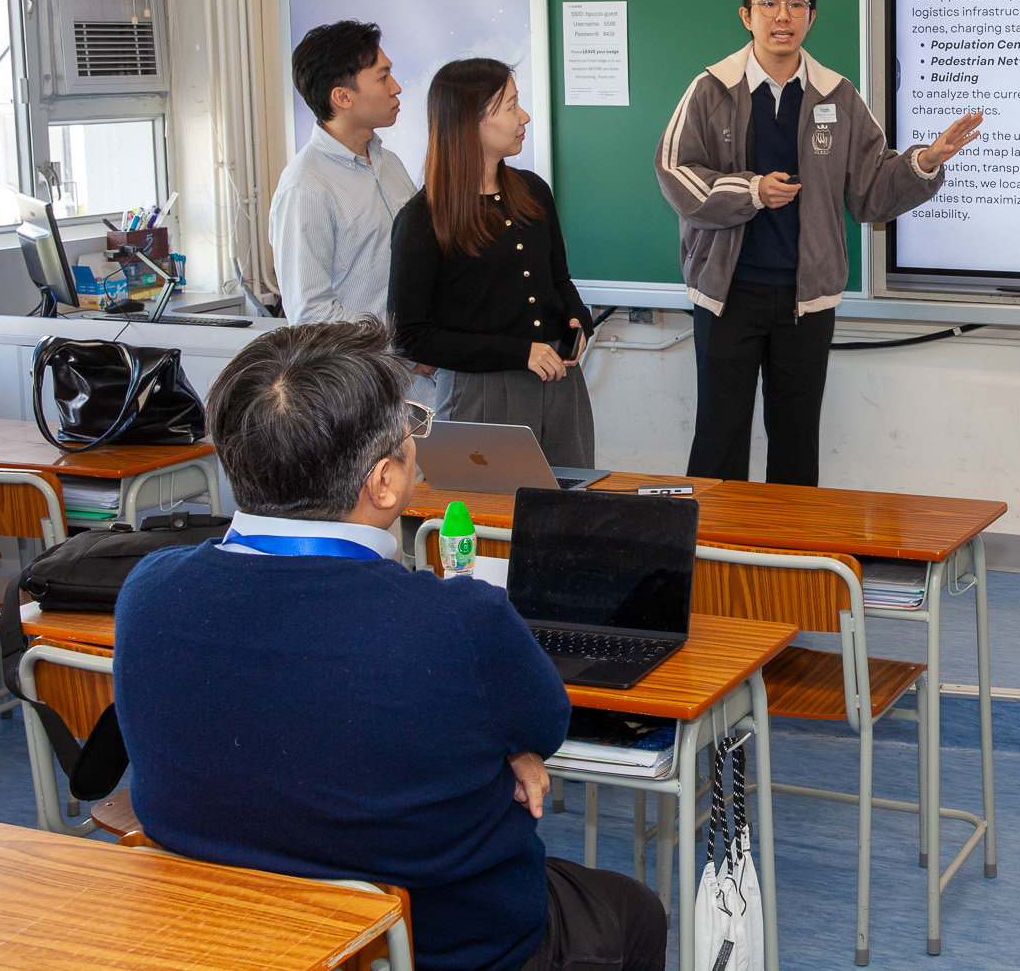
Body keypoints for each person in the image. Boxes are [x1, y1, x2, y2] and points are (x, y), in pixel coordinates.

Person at [114, 319, 665, 971]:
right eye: (412, 435)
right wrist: (509, 748)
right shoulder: (459, 622)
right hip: (443, 944)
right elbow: (544, 723)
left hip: (226, 935)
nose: (417, 449)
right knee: (635, 911)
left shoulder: (147, 593)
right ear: (383, 483)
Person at [655, 0, 982, 485]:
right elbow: (674, 172)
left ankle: (791, 545)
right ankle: (710, 542)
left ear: (811, 15)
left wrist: (923, 162)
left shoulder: (838, 94)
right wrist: (751, 190)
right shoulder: (711, 89)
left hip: (806, 300)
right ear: (747, 15)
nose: (782, 16)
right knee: (719, 437)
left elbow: (870, 189)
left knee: (796, 440)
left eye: (795, 3)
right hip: (727, 294)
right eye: (768, 3)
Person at [389, 58, 594, 466]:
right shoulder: (423, 218)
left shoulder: (533, 190)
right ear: (471, 122)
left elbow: (558, 280)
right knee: (490, 505)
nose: (524, 116)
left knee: (571, 498)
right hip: (480, 393)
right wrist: (519, 353)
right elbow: (410, 336)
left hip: (559, 382)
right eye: (511, 106)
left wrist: (577, 318)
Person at [268, 19, 417, 324]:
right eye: (383, 77)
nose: (396, 87)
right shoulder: (306, 187)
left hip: (415, 353)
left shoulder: (389, 163)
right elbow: (310, 314)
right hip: (367, 355)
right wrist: (394, 341)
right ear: (343, 97)